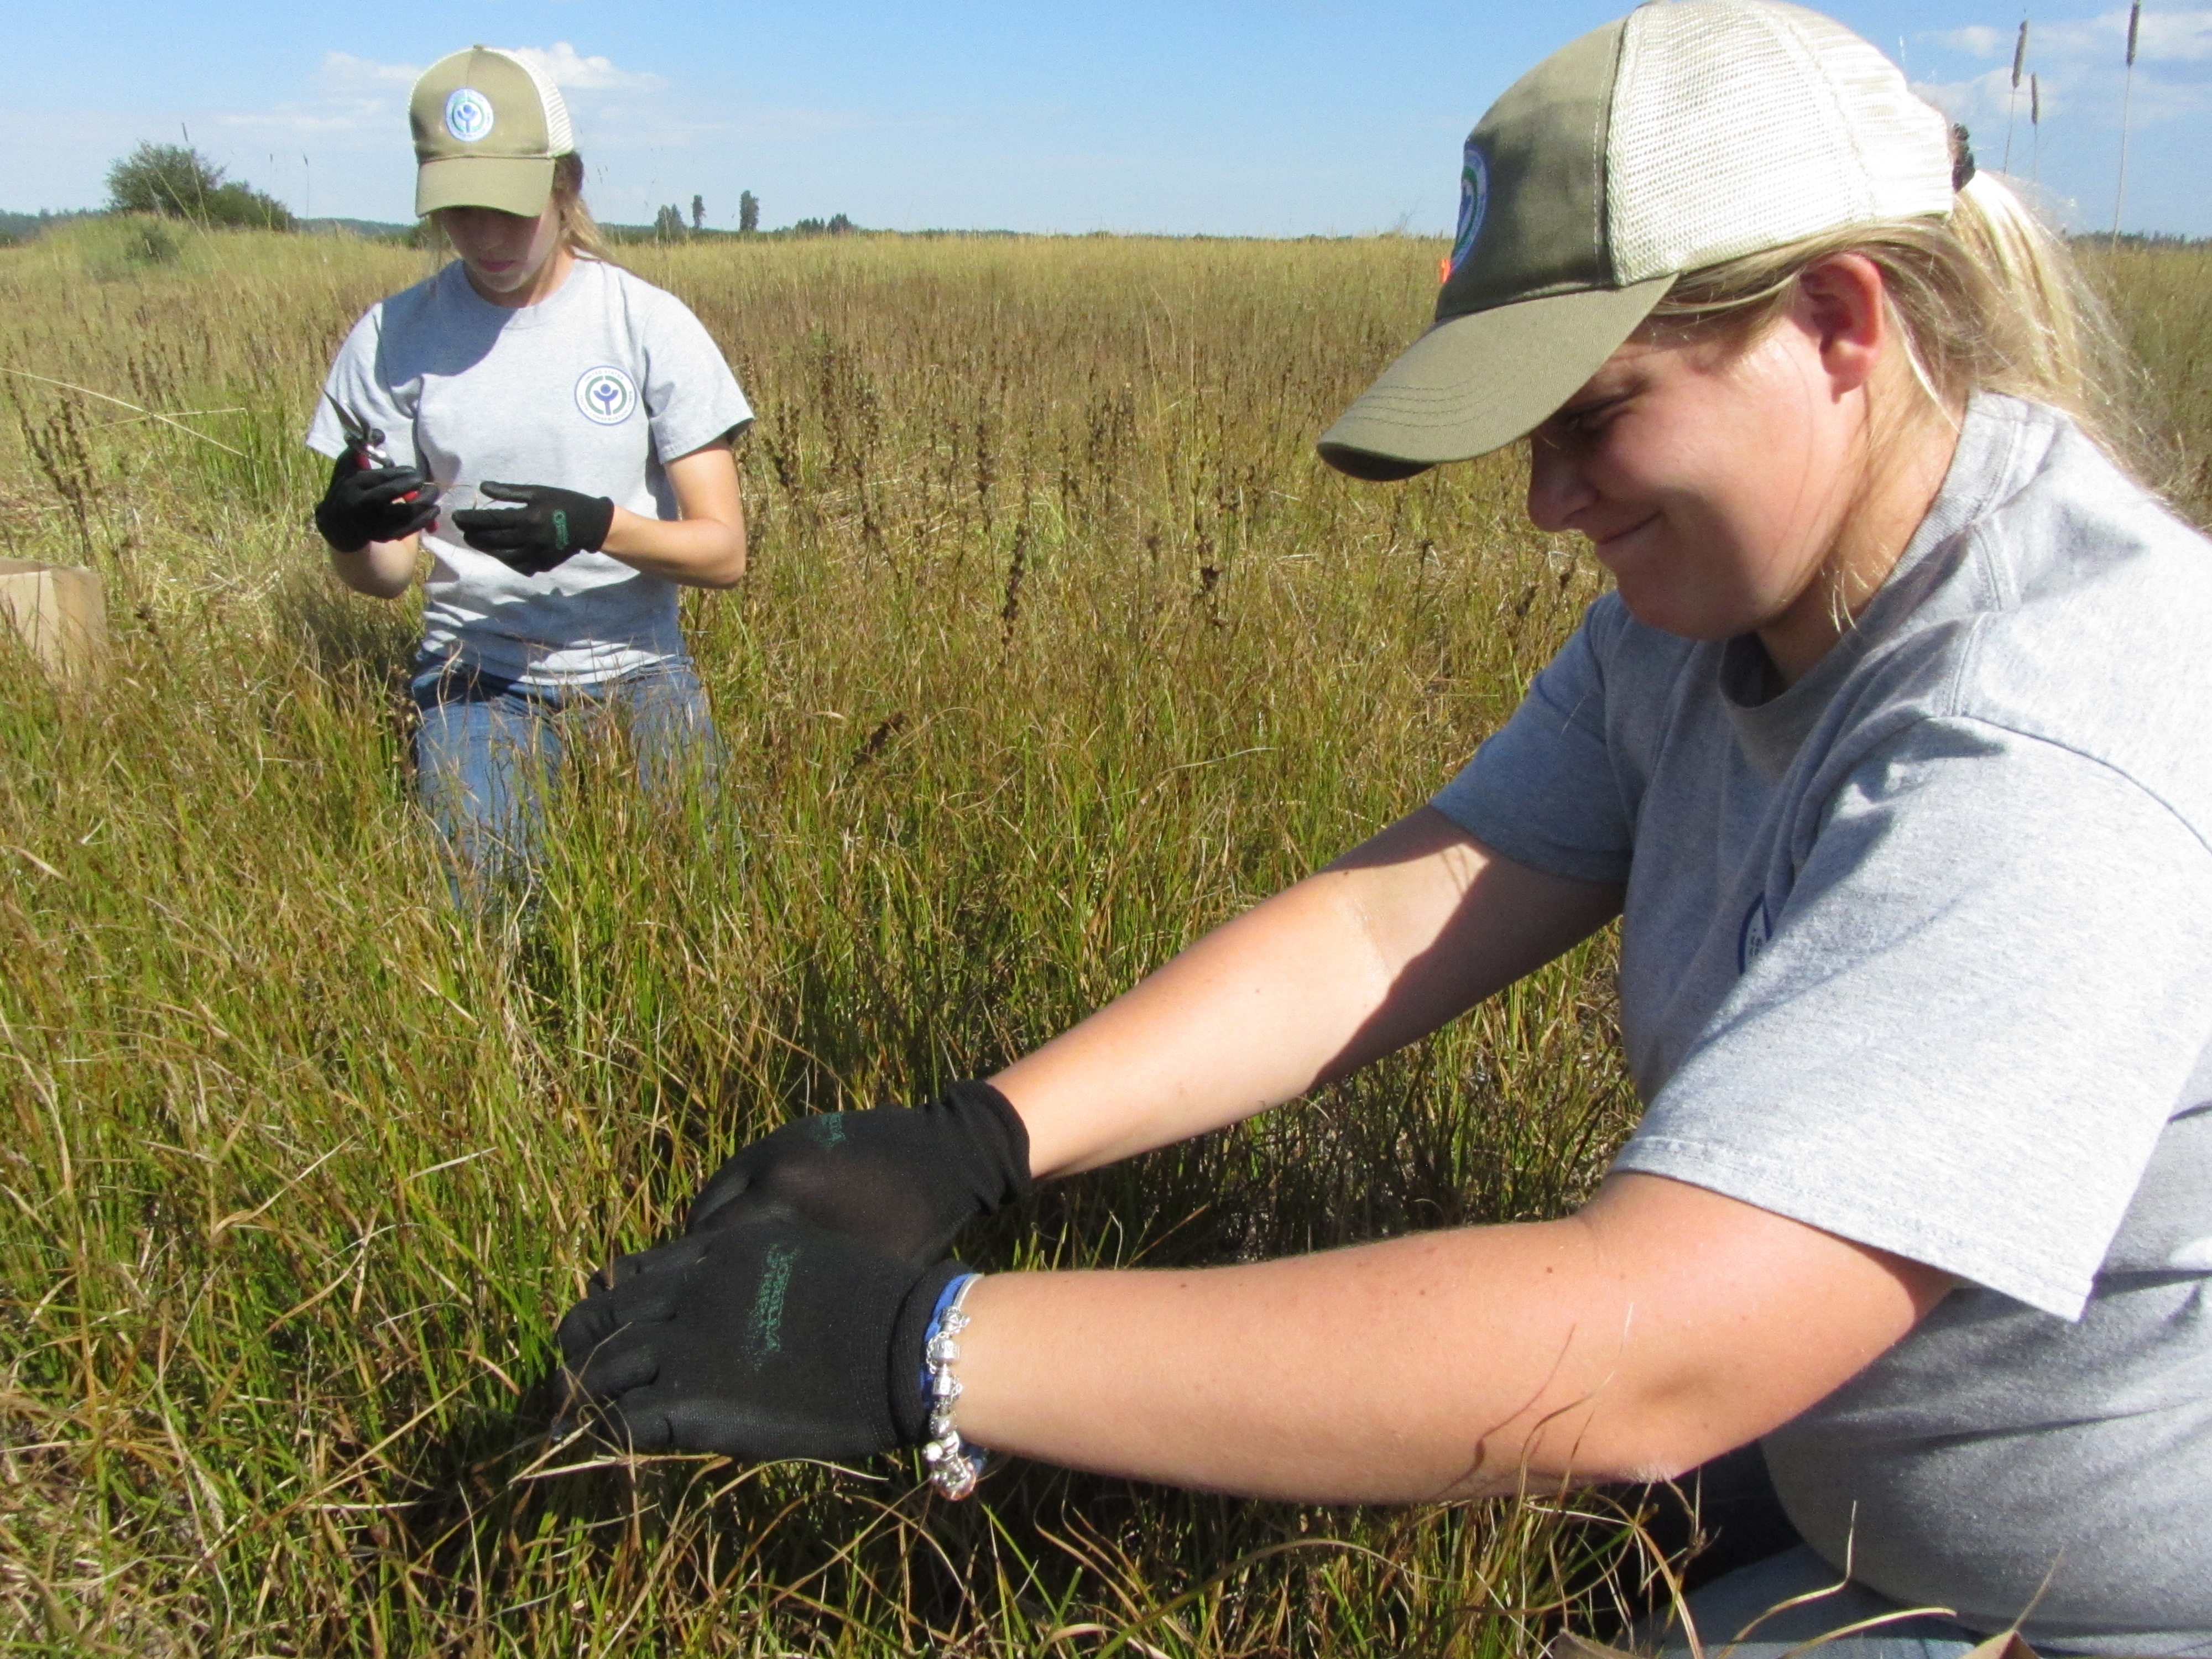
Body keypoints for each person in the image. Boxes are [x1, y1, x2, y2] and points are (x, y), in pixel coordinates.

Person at [554, 4, 2212, 1652]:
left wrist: (922, 1348)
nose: (1549, 501)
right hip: (1853, 1486)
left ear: (1840, 324)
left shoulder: (2041, 741)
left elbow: (1649, 1347)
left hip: (2072, 1609)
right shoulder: (1714, 609)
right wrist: (984, 1137)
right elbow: (1407, 908)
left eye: (1594, 412)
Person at [306, 46, 752, 895]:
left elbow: (725, 554)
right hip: (476, 674)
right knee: (491, 896)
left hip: (639, 667)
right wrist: (347, 533)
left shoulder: (647, 324)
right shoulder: (394, 336)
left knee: (708, 890)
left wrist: (596, 528)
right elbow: (389, 576)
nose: (487, 237)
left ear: (566, 182)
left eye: (511, 208)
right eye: (461, 210)